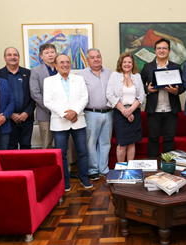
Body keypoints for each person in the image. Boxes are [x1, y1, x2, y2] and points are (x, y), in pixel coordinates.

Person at [43, 54, 92, 190]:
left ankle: (84, 178)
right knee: (61, 153)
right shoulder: (49, 81)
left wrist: (74, 112)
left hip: (78, 120)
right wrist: (67, 114)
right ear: (56, 66)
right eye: (61, 62)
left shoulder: (79, 79)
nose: (65, 64)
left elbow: (84, 97)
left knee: (82, 151)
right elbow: (48, 101)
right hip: (60, 122)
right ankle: (65, 182)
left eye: (67, 62)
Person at [140, 38, 185, 158]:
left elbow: (182, 87)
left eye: (164, 48)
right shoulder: (147, 67)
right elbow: (139, 85)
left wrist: (176, 91)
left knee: (169, 139)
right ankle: (152, 167)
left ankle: (167, 167)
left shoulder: (176, 67)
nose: (162, 50)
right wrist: (147, 90)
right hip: (153, 110)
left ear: (169, 51)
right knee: (153, 138)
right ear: (155, 51)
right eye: (159, 48)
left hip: (171, 110)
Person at [78, 48, 112, 180]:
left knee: (105, 142)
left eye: (98, 56)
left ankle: (103, 169)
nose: (96, 59)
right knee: (90, 143)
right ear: (87, 60)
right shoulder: (81, 75)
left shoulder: (108, 72)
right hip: (90, 114)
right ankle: (93, 169)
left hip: (108, 113)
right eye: (92, 57)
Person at [106, 52, 145, 162]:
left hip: (134, 113)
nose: (127, 64)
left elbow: (142, 96)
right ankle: (121, 171)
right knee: (122, 144)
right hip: (120, 113)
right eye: (125, 62)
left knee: (132, 144)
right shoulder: (114, 75)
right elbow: (110, 95)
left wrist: (131, 110)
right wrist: (124, 111)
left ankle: (130, 170)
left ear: (133, 64)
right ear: (120, 63)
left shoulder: (137, 76)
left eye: (129, 62)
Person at [0, 47, 35, 149]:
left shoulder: (29, 74)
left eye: (15, 55)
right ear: (4, 58)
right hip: (7, 119)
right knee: (10, 147)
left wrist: (27, 113)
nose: (13, 57)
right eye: (9, 55)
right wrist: (10, 114)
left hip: (27, 118)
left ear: (19, 57)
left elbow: (34, 95)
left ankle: (26, 166)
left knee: (26, 146)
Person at [30, 43, 57, 149]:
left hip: (62, 114)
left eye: (52, 52)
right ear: (41, 56)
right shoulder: (35, 71)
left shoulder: (61, 68)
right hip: (45, 113)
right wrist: (51, 108)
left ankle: (67, 165)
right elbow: (35, 93)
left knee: (64, 143)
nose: (50, 55)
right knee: (47, 143)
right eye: (46, 53)